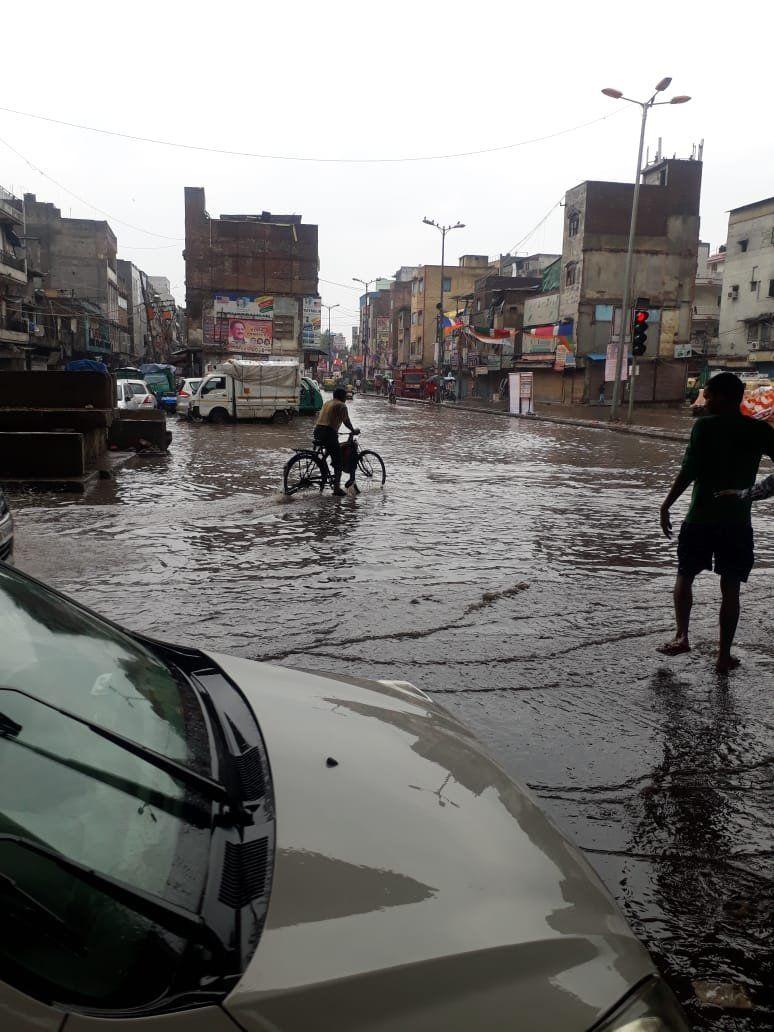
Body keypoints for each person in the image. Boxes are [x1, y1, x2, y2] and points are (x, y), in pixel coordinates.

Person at [658, 373, 774, 673]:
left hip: (700, 517)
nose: (704, 401)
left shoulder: (704, 427)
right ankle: (723, 655)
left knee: (685, 575)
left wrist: (667, 504)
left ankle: (682, 636)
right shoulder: (759, 430)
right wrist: (753, 493)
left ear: (723, 397)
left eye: (707, 396)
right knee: (731, 589)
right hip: (737, 523)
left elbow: (689, 470)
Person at [314, 387, 359, 497]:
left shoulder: (328, 403)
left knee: (331, 451)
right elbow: (346, 421)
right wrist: (353, 430)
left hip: (318, 431)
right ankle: (337, 488)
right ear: (342, 397)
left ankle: (326, 476)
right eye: (345, 396)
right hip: (329, 432)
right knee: (338, 461)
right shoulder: (341, 405)